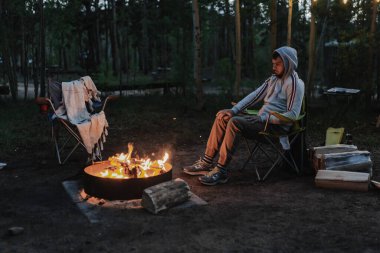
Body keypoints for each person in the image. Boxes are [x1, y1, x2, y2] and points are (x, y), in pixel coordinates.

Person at [183, 46, 305, 186]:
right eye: (273, 64)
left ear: (288, 63)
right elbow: (255, 95)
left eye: (278, 64)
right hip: (261, 121)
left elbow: (293, 115)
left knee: (235, 123)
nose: (274, 67)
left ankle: (221, 171)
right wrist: (233, 110)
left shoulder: (296, 84)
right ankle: (206, 163)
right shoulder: (273, 79)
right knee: (223, 117)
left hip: (277, 128)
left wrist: (264, 118)